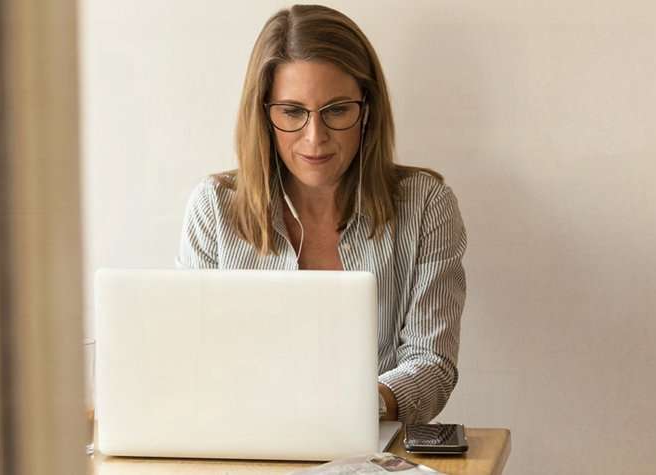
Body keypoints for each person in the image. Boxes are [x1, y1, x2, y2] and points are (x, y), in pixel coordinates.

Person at [176, 4, 467, 424]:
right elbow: (192, 359)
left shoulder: (425, 204)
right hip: (242, 443)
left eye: (336, 110)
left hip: (371, 447)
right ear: (264, 114)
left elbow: (433, 364)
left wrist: (355, 406)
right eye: (292, 112)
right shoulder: (214, 207)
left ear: (366, 109)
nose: (315, 138)